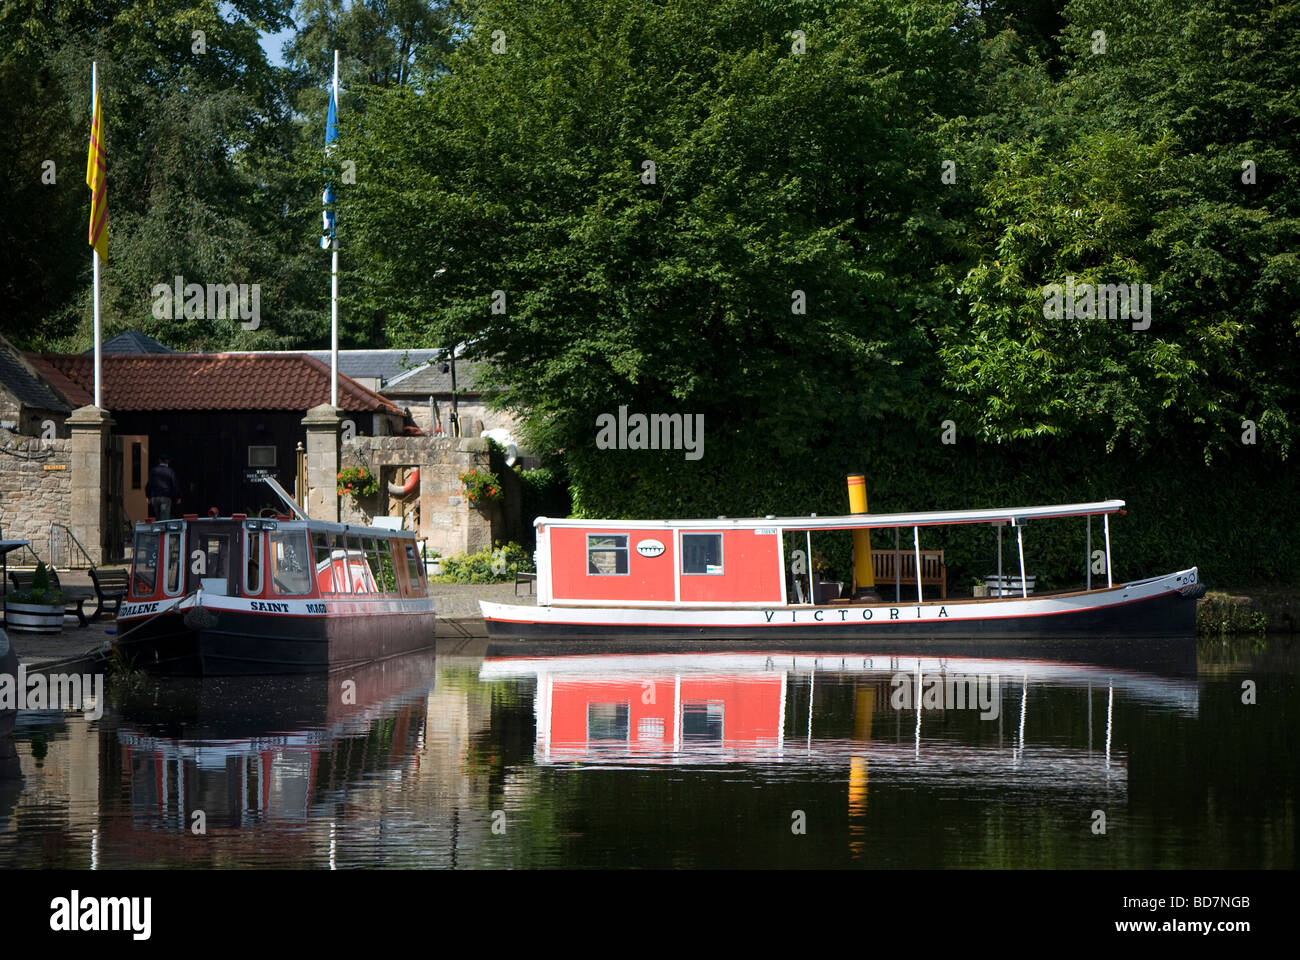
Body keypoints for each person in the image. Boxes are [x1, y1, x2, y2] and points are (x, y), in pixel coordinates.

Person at [146, 454, 181, 520]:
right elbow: (175, 485)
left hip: (155, 497)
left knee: (158, 518)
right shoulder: (170, 471)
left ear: (159, 461)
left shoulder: (153, 470)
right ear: (167, 461)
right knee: (164, 519)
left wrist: (148, 496)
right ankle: (163, 530)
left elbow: (149, 484)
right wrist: (178, 496)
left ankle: (159, 529)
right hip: (166, 497)